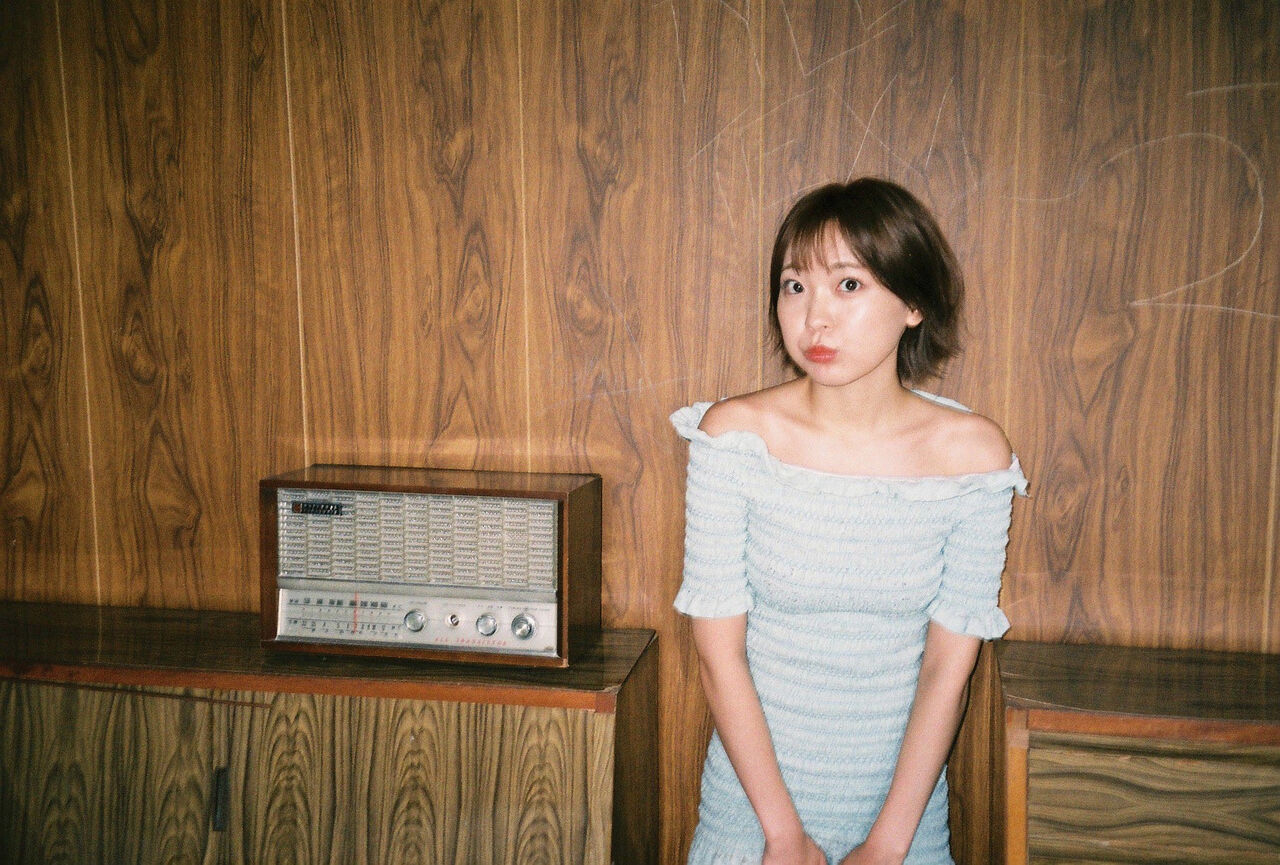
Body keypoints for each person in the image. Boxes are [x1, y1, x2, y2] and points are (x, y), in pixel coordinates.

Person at [672, 177, 1027, 865]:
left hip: (903, 817)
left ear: (914, 303)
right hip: (751, 808)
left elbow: (946, 670)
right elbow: (718, 653)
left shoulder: (974, 458)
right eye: (794, 286)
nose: (815, 319)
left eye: (849, 285)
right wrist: (782, 833)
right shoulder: (734, 437)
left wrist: (889, 844)